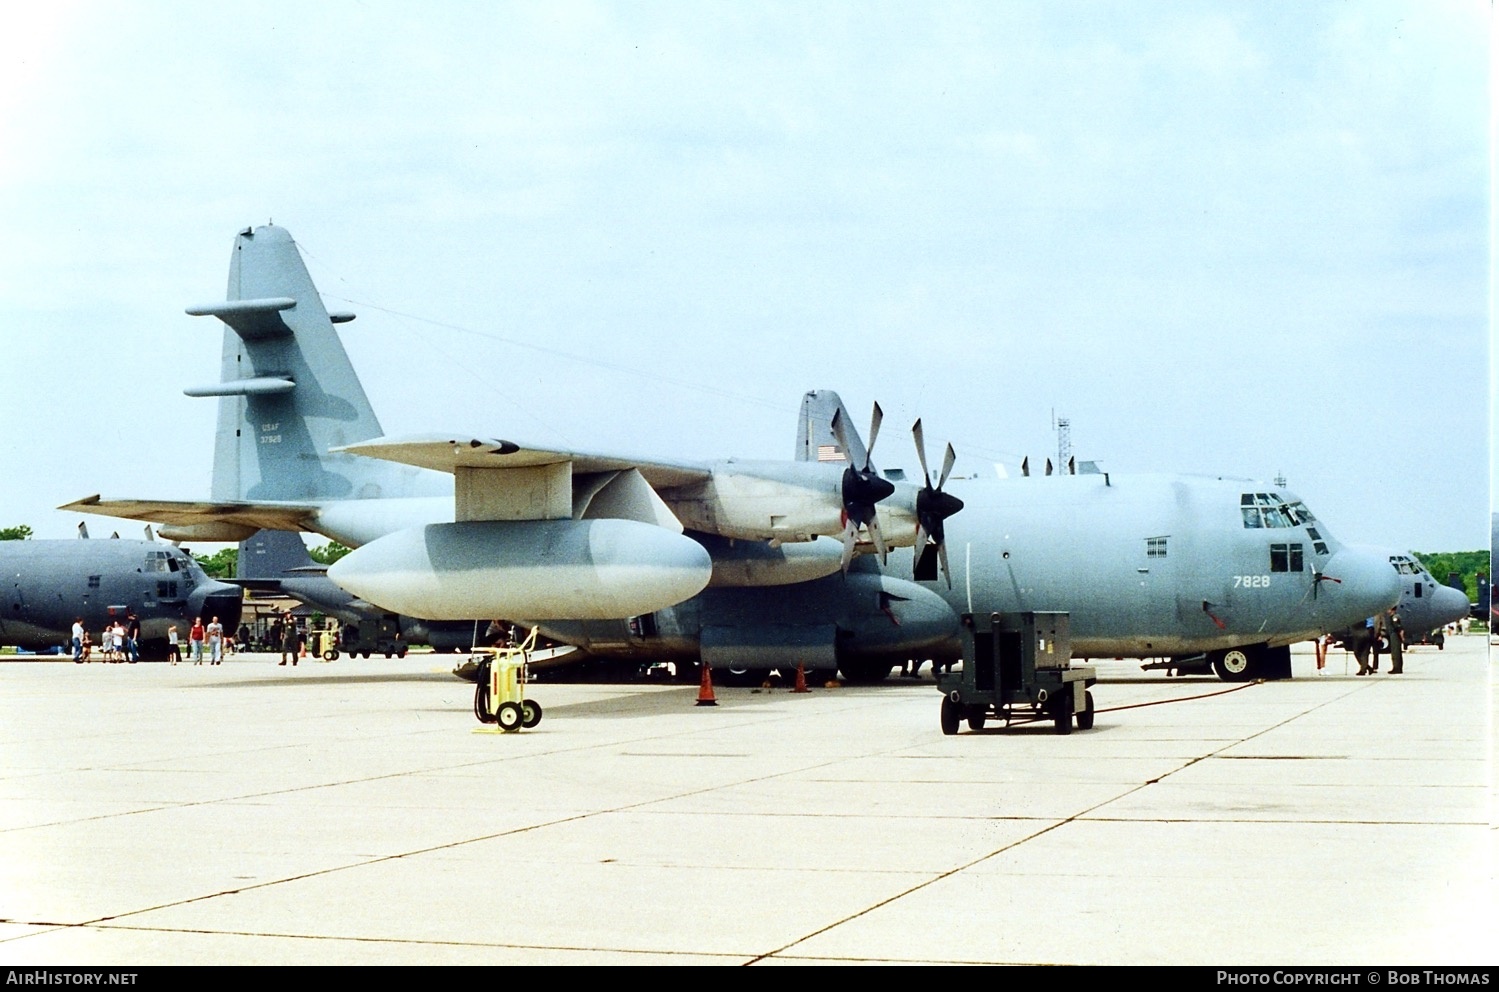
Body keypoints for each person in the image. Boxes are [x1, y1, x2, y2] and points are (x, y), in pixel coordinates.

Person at [1386, 607, 1404, 674]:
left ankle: (1396, 668)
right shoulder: (1394, 616)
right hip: (1394, 634)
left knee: (1395, 652)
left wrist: (1401, 636)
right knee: (1396, 652)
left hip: (1395, 635)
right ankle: (1397, 667)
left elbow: (1398, 627)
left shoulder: (1394, 617)